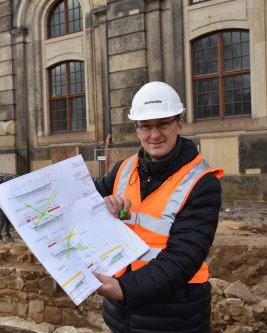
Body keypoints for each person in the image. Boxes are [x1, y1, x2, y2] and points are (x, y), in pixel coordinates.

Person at [93, 81, 223, 333]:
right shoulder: (123, 169)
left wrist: (124, 290)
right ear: (136, 129)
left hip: (174, 317)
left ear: (180, 124)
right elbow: (83, 202)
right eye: (146, 126)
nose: (154, 135)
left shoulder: (201, 183)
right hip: (121, 317)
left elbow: (183, 258)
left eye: (163, 124)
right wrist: (102, 204)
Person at [0, 175, 15, 243]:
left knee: (8, 222)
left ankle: (8, 237)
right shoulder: (1, 188)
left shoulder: (7, 188)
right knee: (2, 222)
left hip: (8, 208)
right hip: (2, 208)